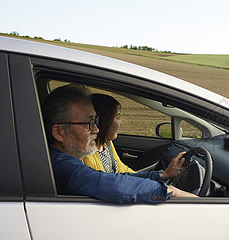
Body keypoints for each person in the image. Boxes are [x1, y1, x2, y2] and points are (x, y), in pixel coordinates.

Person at [41, 84, 195, 203]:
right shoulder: (62, 166)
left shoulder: (65, 157)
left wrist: (163, 175)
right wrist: (170, 191)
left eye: (95, 121)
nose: (96, 129)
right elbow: (112, 184)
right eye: (88, 123)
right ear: (59, 132)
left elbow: (119, 176)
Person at [82, 94, 137, 174]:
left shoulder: (107, 144)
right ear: (105, 121)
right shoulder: (88, 157)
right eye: (118, 117)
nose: (121, 123)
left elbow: (123, 170)